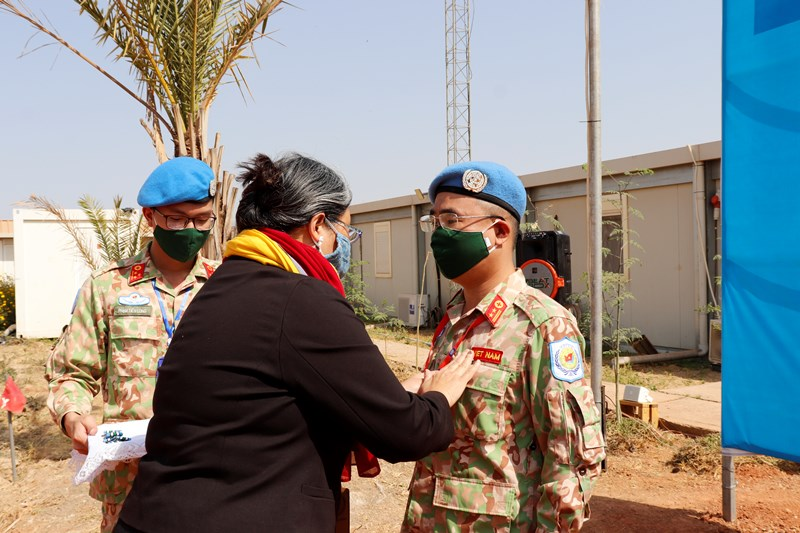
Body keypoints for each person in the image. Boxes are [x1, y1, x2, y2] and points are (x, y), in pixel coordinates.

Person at [115, 152, 479, 533]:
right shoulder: (301, 298)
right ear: (318, 226)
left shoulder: (223, 284)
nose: (345, 246)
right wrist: (437, 397)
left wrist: (383, 396)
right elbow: (407, 433)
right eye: (345, 233)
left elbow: (265, 401)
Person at [402, 161, 606, 532]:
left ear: (498, 232)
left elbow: (571, 461)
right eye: (433, 223)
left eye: (451, 221)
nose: (438, 236)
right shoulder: (453, 321)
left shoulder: (543, 325)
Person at [45, 157, 220, 532]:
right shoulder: (107, 287)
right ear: (149, 216)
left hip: (211, 476)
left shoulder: (229, 287)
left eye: (202, 218)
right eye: (176, 218)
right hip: (128, 481)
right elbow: (71, 373)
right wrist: (73, 416)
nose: (190, 229)